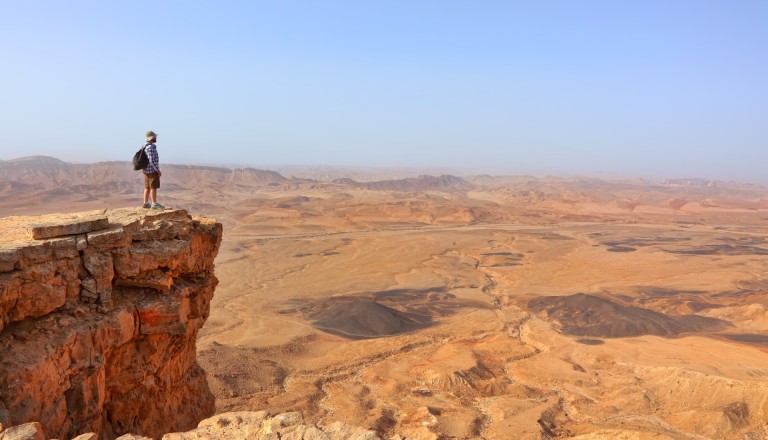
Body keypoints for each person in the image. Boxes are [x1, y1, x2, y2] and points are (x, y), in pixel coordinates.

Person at [141, 131, 164, 209]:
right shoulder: (150, 147)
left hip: (145, 170)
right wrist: (157, 170)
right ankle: (154, 203)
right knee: (153, 187)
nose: (156, 138)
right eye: (155, 137)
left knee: (147, 187)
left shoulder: (144, 146)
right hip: (152, 170)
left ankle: (145, 203)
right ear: (152, 138)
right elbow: (151, 160)